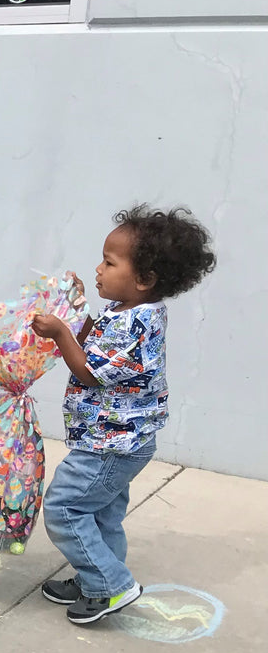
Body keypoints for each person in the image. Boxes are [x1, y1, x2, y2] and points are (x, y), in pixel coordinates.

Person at [31, 206, 216, 624]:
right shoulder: (129, 312)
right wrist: (75, 316)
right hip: (118, 440)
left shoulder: (133, 324)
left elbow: (90, 372)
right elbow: (96, 348)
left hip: (110, 445)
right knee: (101, 512)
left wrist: (60, 332)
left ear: (144, 279)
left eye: (109, 262)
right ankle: (94, 574)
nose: (98, 269)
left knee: (64, 508)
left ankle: (110, 585)